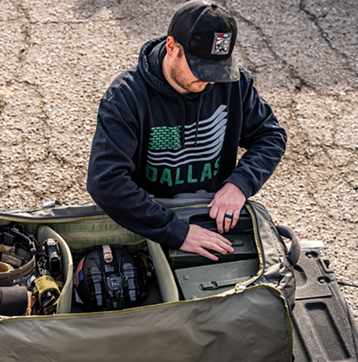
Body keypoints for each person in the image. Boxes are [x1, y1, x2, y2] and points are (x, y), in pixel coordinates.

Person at [86, 0, 287, 261]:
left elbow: (271, 136)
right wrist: (176, 231)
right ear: (172, 47)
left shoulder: (235, 84)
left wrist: (240, 185)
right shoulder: (126, 98)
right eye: (201, 68)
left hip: (210, 216)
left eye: (218, 68)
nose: (211, 79)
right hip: (149, 218)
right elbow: (105, 181)